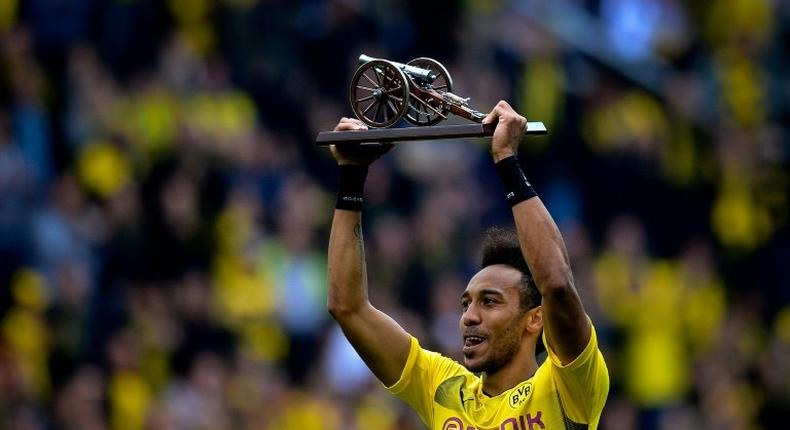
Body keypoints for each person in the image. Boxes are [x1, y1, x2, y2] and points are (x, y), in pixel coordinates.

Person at [327, 101, 609, 430]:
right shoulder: (444, 386)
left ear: (534, 319)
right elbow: (347, 307)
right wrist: (351, 175)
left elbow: (557, 284)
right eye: (466, 303)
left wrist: (507, 161)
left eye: (489, 301)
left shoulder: (567, 384)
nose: (468, 317)